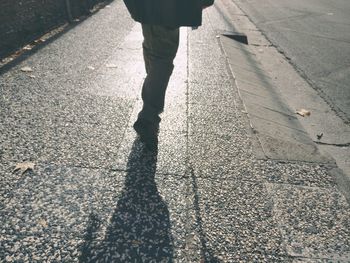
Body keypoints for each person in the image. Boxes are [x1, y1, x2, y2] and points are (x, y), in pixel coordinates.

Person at [124, 0, 214, 150]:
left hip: (147, 6)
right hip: (169, 8)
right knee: (162, 58)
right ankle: (148, 116)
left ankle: (149, 110)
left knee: (154, 51)